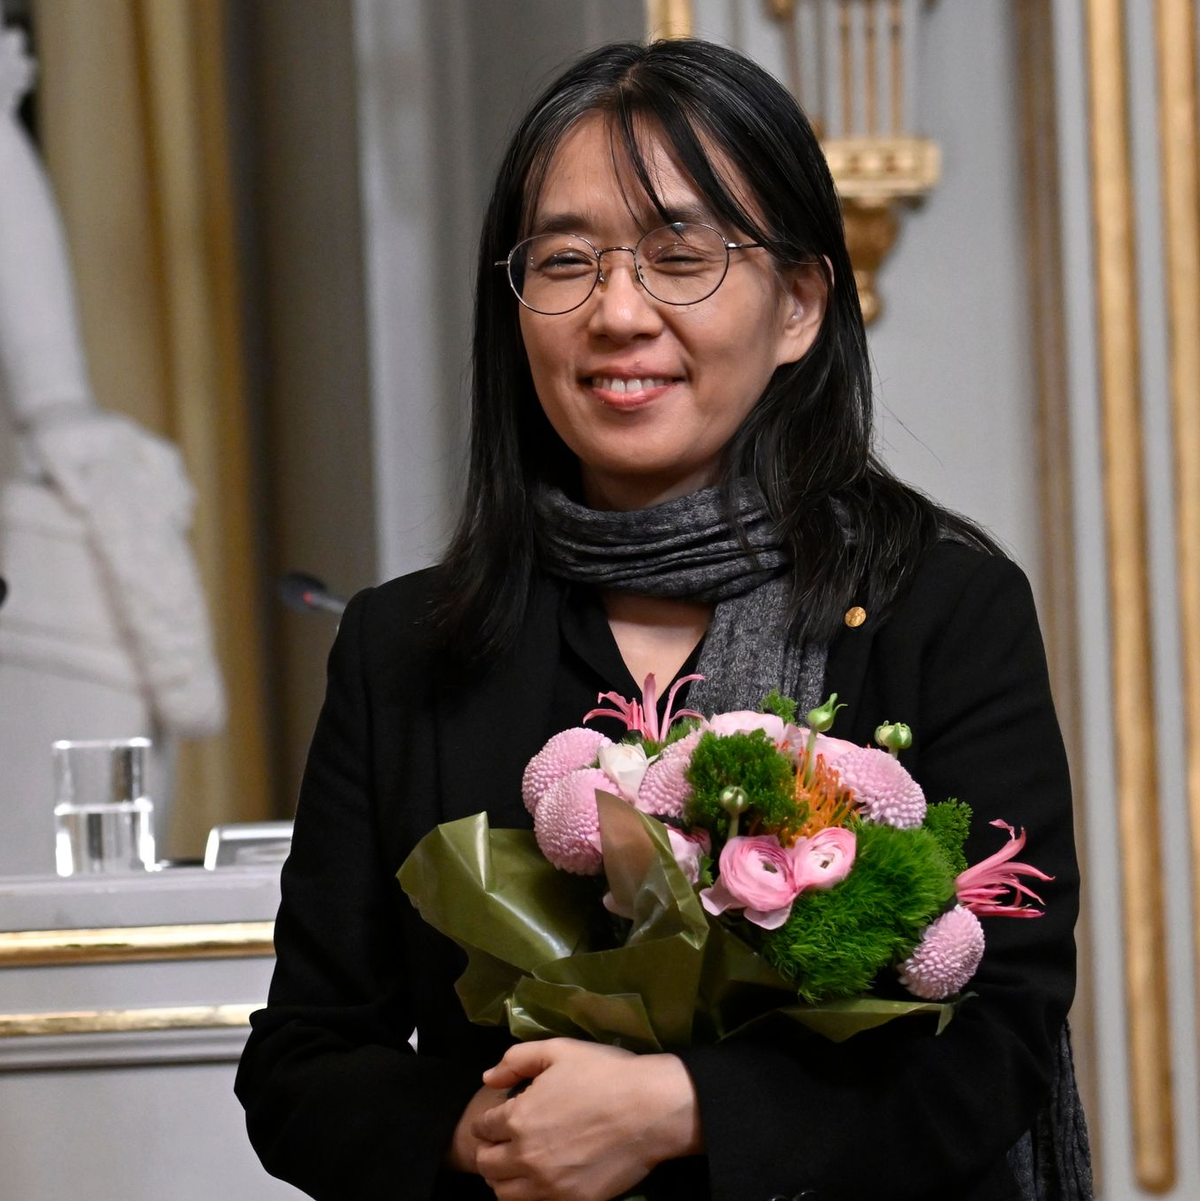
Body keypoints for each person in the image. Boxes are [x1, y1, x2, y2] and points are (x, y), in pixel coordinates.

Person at [236, 39, 1085, 1201]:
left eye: (680, 254)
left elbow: (1002, 1039)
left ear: (797, 305)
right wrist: (486, 1134)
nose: (618, 312)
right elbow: (303, 1062)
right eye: (567, 259)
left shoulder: (938, 612)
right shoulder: (407, 647)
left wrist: (683, 1112)